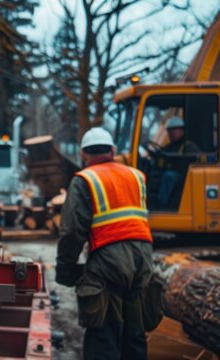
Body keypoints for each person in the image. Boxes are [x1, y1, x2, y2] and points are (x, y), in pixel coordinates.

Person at [56, 127, 157, 360]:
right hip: (143, 258)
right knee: (135, 332)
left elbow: (72, 232)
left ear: (83, 154)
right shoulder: (136, 176)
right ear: (113, 150)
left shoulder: (85, 180)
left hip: (109, 260)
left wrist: (66, 271)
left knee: (104, 332)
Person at [155, 116, 200, 207]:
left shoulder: (189, 146)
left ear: (181, 131)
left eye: (174, 130)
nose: (171, 133)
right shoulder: (169, 146)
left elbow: (193, 163)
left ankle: (161, 204)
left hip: (183, 176)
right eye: (170, 130)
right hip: (169, 172)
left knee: (169, 176)